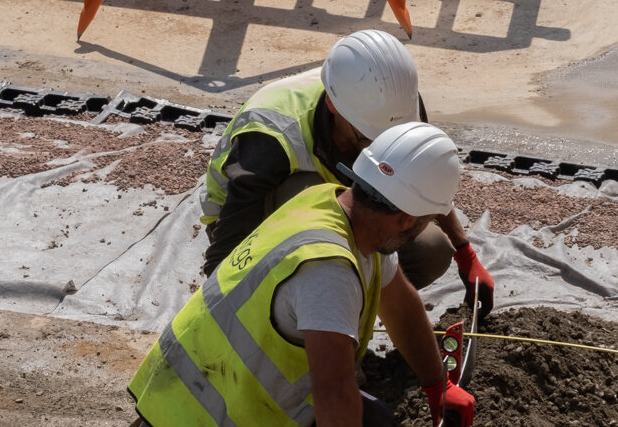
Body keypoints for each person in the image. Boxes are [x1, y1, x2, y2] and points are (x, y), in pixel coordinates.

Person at [116, 121, 478, 427]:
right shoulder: (327, 273)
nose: (422, 230)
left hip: (255, 391)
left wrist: (437, 386)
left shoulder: (336, 204)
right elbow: (334, 391)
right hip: (205, 414)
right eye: (422, 222)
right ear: (403, 217)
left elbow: (398, 299)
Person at [201, 29, 495, 315]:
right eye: (369, 137)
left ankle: (342, 307)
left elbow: (417, 180)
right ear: (332, 105)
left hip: (341, 207)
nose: (379, 146)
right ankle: (302, 312)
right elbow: (230, 241)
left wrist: (464, 251)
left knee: (428, 250)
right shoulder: (273, 134)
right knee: (316, 205)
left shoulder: (399, 108)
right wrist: (217, 314)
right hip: (254, 219)